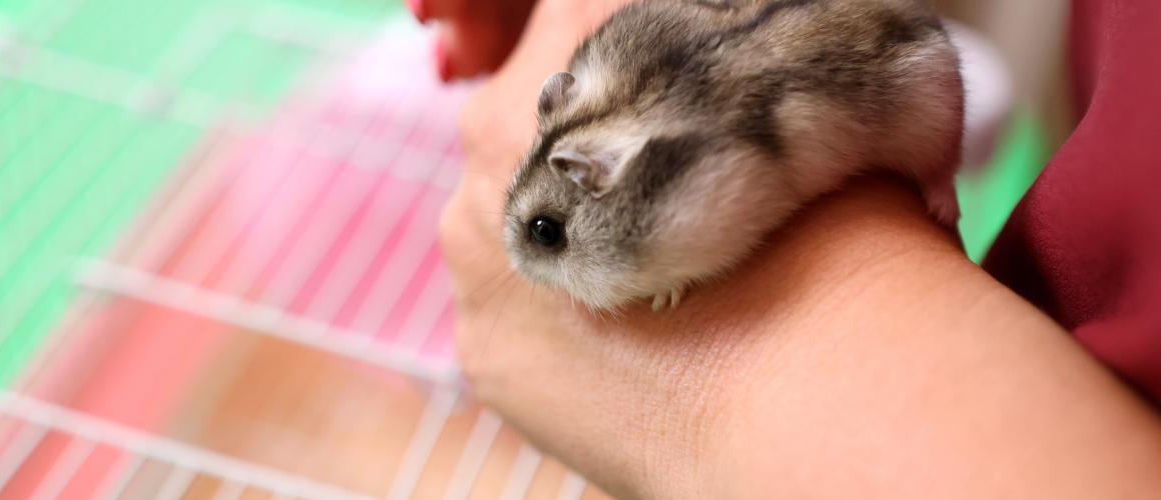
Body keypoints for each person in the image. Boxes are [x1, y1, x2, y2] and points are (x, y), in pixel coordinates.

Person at [420, 0, 1161, 497]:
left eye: (548, 234)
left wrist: (726, 390)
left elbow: (740, 189)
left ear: (605, 176)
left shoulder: (701, 168)